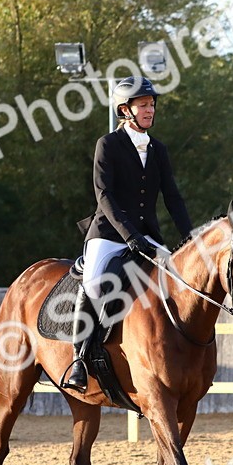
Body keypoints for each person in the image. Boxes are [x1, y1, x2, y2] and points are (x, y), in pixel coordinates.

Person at [61, 75, 194, 392]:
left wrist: (192, 238)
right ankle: (79, 360)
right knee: (94, 282)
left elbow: (172, 197)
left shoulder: (158, 149)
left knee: (179, 280)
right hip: (109, 234)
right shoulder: (107, 145)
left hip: (147, 236)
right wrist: (130, 235)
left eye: (152, 104)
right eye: (143, 105)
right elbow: (104, 196)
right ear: (125, 109)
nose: (150, 110)